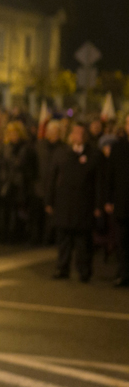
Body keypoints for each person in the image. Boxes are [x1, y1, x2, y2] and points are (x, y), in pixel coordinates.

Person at [46, 123, 103, 282]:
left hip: (84, 204)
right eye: (76, 133)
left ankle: (84, 271)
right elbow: (52, 178)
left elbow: (99, 182)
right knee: (63, 239)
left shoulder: (94, 155)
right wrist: (49, 201)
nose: (78, 136)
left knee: (83, 241)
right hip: (64, 203)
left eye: (81, 133)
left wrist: (98, 205)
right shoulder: (62, 153)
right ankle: (62, 268)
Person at [105, 114, 129, 287]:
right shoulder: (118, 147)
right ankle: (124, 273)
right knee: (123, 242)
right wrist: (108, 200)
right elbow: (110, 176)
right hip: (123, 203)